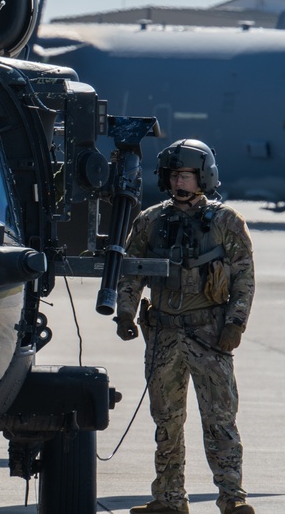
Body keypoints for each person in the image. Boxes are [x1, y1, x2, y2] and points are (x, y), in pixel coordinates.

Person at [115, 139, 256, 514]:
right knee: (167, 423)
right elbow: (130, 272)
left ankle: (232, 498)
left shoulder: (227, 222)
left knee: (220, 423)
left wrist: (235, 324)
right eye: (175, 175)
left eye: (187, 176)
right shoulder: (149, 221)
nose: (180, 182)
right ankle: (169, 499)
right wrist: (125, 313)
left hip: (210, 336)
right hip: (164, 336)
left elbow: (244, 276)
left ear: (203, 177)